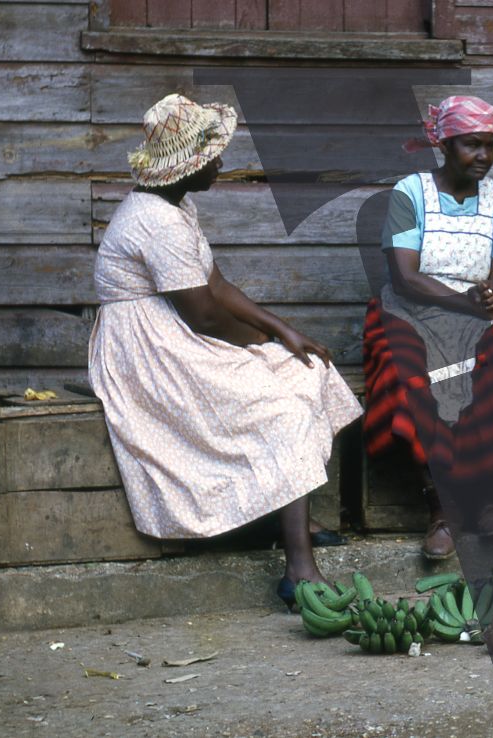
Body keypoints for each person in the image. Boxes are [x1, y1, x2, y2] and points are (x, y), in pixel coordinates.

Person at [88, 94, 362, 606]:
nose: (220, 163)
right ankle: (299, 567)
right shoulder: (156, 221)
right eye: (212, 156)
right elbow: (205, 315)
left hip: (176, 330)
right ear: (185, 166)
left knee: (305, 372)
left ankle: (288, 508)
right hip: (149, 349)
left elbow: (216, 284)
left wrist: (282, 332)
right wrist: (255, 342)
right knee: (278, 409)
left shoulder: (176, 204)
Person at [362, 95, 493, 560]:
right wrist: (478, 309)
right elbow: (405, 277)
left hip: (477, 315)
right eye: (472, 145)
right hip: (410, 314)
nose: (484, 157)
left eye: (490, 146)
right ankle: (441, 505)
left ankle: (485, 496)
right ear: (445, 144)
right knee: (411, 375)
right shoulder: (409, 195)